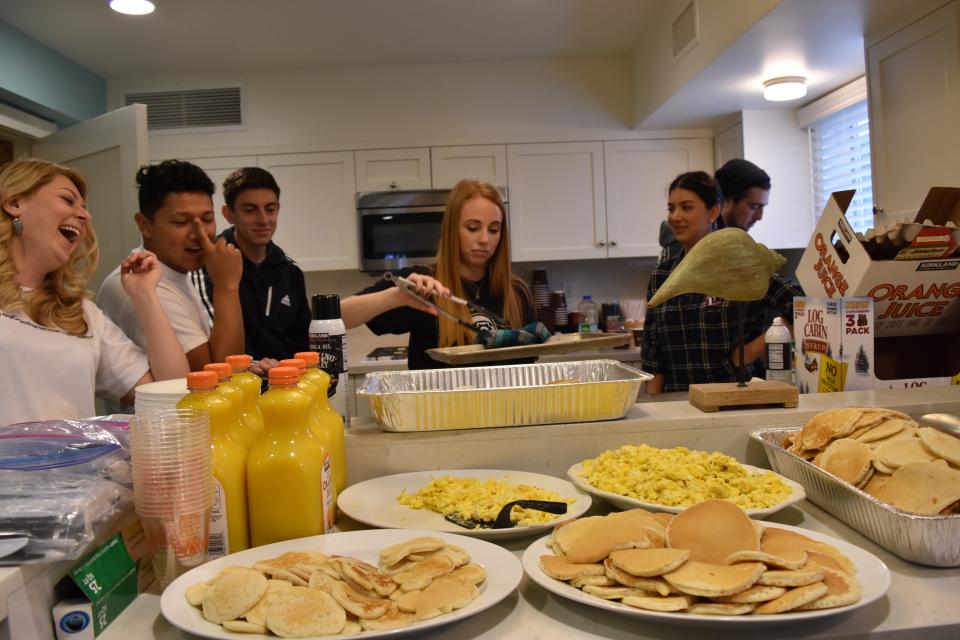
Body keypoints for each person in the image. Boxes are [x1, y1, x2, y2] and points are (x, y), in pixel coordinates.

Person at [0, 159, 189, 425]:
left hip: (76, 467)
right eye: (68, 200)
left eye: (85, 209)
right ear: (15, 203)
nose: (85, 216)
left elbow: (172, 392)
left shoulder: (81, 315)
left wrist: (145, 295)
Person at [341, 179, 535, 370]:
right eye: (473, 228)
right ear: (452, 229)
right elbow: (339, 315)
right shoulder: (423, 286)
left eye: (494, 229)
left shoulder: (517, 294)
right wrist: (398, 296)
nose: (485, 239)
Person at [642, 171, 800, 394]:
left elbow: (802, 306)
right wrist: (655, 411)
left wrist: (751, 351)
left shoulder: (742, 267)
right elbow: (653, 355)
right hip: (679, 404)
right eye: (671, 208)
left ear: (713, 212)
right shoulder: (661, 276)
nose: (675, 217)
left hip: (738, 401)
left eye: (686, 207)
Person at [97, 160, 244, 372]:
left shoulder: (176, 270)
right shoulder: (142, 284)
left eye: (207, 218)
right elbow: (217, 376)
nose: (200, 234)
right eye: (181, 222)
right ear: (145, 225)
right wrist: (226, 286)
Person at [190, 167, 310, 373]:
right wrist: (251, 364)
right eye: (250, 209)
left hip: (289, 388)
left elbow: (304, 343)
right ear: (229, 214)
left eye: (270, 209)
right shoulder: (209, 267)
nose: (263, 219)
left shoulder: (291, 271)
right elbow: (213, 347)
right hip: (236, 389)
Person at [658, 158, 771, 263]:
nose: (759, 216)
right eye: (754, 207)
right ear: (726, 202)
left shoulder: (741, 252)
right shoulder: (682, 247)